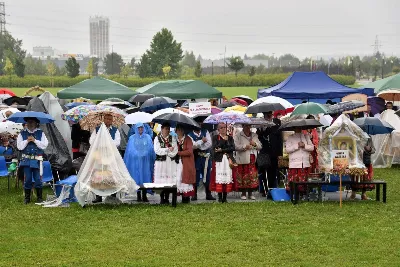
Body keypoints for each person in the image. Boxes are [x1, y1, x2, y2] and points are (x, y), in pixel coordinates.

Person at [90, 113, 121, 203]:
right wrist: (100, 144)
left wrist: (107, 144)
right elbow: (92, 141)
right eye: (106, 118)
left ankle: (113, 194)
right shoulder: (97, 129)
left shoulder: (115, 130)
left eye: (110, 119)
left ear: (112, 120)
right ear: (103, 119)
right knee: (98, 174)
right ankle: (98, 196)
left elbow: (117, 142)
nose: (108, 120)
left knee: (111, 174)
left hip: (111, 155)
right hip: (100, 155)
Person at [17, 117, 49, 204]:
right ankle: (27, 198)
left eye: (32, 122)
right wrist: (27, 140)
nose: (30, 124)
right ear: (26, 123)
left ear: (36, 123)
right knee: (27, 179)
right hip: (26, 160)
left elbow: (44, 145)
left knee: (38, 179)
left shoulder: (40, 133)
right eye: (28, 122)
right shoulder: (22, 133)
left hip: (37, 160)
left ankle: (39, 198)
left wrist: (35, 140)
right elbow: (19, 147)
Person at [124, 123, 155, 202]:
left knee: (145, 176)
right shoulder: (132, 138)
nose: (140, 129)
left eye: (142, 127)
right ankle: (138, 195)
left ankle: (144, 195)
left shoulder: (148, 137)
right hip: (136, 161)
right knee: (136, 177)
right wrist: (137, 154)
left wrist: (145, 153)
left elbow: (150, 148)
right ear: (135, 129)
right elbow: (130, 149)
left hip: (145, 161)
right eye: (138, 128)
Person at [187, 117, 216, 201]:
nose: (199, 125)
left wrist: (200, 146)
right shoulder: (189, 135)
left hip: (206, 157)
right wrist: (202, 142)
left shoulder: (205, 131)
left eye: (200, 123)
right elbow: (193, 146)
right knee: (195, 174)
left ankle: (208, 193)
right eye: (197, 123)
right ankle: (194, 194)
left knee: (207, 175)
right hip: (196, 158)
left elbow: (209, 144)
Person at [257, 111, 283, 196]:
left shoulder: (276, 123)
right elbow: (259, 138)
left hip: (274, 152)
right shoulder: (260, 124)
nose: (269, 117)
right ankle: (264, 190)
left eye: (270, 115)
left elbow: (280, 140)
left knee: (273, 172)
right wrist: (262, 129)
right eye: (267, 115)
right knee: (263, 171)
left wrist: (280, 154)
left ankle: (273, 189)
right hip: (263, 152)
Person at [209, 123, 236, 203]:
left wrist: (222, 150)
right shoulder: (215, 137)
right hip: (219, 160)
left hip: (228, 160)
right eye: (221, 128)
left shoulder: (230, 138)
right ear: (218, 129)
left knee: (227, 177)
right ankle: (220, 197)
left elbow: (232, 148)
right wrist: (224, 140)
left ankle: (225, 197)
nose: (223, 129)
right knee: (219, 178)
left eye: (224, 127)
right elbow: (215, 148)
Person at [234, 124, 262, 200]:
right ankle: (243, 193)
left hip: (252, 157)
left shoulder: (254, 135)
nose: (248, 128)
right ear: (243, 126)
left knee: (252, 176)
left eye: (249, 126)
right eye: (246, 126)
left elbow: (260, 146)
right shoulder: (238, 135)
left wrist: (255, 144)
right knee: (243, 175)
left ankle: (250, 193)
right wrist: (244, 146)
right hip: (243, 157)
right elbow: (235, 146)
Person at [154, 122, 178, 204]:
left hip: (170, 163)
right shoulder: (157, 138)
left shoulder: (173, 138)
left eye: (168, 129)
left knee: (169, 180)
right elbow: (157, 150)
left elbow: (175, 150)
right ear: (162, 129)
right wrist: (167, 150)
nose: (167, 130)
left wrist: (168, 152)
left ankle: (167, 198)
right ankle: (161, 198)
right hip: (161, 162)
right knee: (161, 180)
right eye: (165, 129)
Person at [285, 127, 314, 193]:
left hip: (305, 163)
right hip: (294, 163)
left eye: (299, 128)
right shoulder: (290, 137)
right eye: (296, 128)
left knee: (304, 180)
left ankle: (304, 193)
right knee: (294, 181)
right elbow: (287, 150)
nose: (298, 129)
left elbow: (312, 147)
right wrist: (297, 146)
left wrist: (304, 145)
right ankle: (294, 194)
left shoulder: (306, 136)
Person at [175, 124, 196, 203]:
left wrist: (178, 153)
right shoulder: (174, 139)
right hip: (177, 163)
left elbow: (189, 151)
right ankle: (181, 196)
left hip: (186, 163)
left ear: (183, 131)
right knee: (179, 179)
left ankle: (186, 198)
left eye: (181, 129)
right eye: (178, 130)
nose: (179, 131)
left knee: (186, 180)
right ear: (176, 131)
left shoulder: (188, 139)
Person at [351, 136, 375, 200]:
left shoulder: (369, 137)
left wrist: (369, 149)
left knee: (366, 178)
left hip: (366, 161)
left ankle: (363, 194)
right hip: (356, 161)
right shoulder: (354, 136)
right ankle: (353, 193)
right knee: (355, 177)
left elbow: (373, 150)